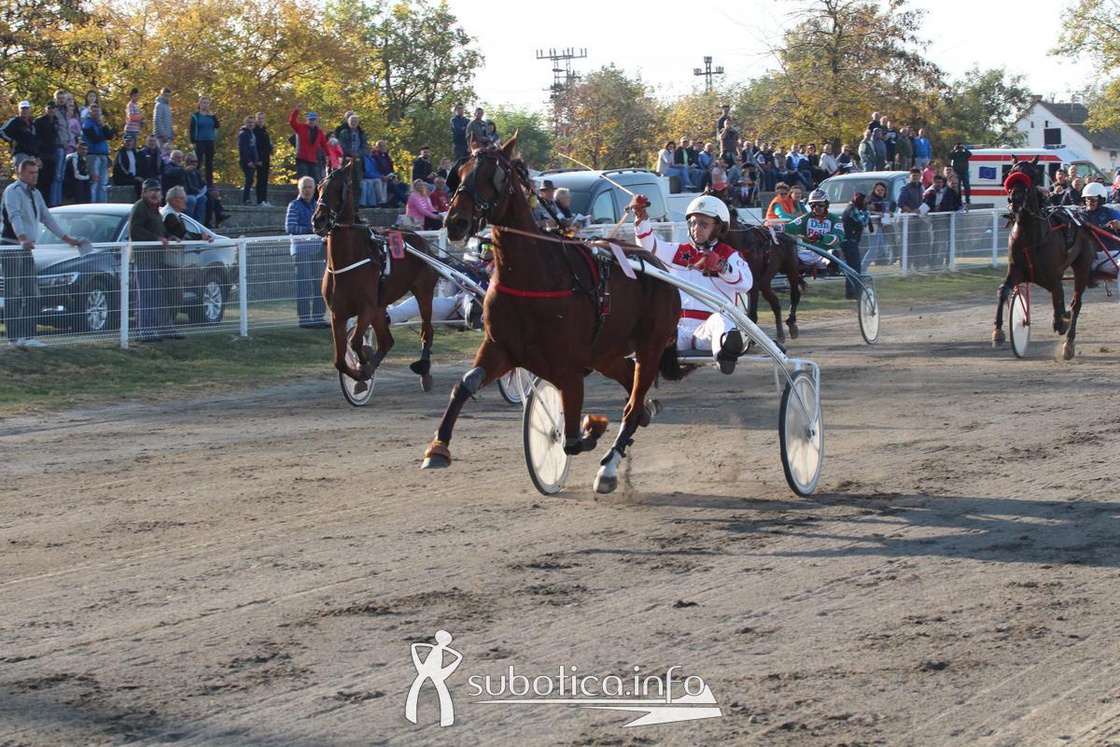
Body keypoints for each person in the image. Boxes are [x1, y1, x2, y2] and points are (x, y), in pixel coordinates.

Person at [630, 193, 753, 373]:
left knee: (722, 318)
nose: (697, 228)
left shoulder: (730, 255)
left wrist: (721, 266)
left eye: (704, 224)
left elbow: (746, 284)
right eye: (693, 223)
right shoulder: (678, 252)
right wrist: (641, 219)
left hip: (709, 332)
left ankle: (724, 356)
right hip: (677, 330)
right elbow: (649, 247)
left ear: (718, 227)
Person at [1, 159, 83, 348]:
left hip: (27, 247)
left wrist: (67, 238)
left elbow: (47, 218)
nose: (34, 175)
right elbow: (14, 216)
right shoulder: (12, 192)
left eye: (36, 172)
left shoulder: (36, 194)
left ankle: (28, 336)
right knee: (13, 293)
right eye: (30, 172)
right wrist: (22, 238)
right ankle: (15, 339)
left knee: (32, 293)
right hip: (13, 246)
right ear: (20, 173)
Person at [128, 178, 182, 342]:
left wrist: (169, 236)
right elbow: (135, 230)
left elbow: (159, 229)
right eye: (151, 190)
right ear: (144, 192)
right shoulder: (140, 207)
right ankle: (144, 331)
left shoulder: (155, 209)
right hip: (143, 258)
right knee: (145, 295)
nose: (155, 193)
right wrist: (156, 238)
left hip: (155, 258)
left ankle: (162, 328)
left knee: (157, 294)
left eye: (157, 190)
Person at [286, 176, 329, 329]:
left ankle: (318, 318)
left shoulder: (318, 205)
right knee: (303, 285)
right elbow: (290, 227)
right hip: (301, 250)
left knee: (320, 284)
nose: (307, 190)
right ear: (299, 189)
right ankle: (304, 319)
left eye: (309, 187)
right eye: (304, 187)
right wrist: (310, 231)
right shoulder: (294, 205)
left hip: (317, 250)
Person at [784, 188, 846, 275]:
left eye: (820, 205)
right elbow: (789, 227)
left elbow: (837, 238)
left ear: (826, 205)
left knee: (833, 253)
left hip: (825, 253)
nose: (817, 208)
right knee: (790, 256)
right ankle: (805, 269)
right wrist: (771, 226)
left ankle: (829, 270)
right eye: (813, 205)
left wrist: (821, 237)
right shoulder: (806, 218)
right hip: (808, 253)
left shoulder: (834, 219)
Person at [80, 104, 115, 203]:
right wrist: (104, 135)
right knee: (94, 182)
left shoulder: (101, 124)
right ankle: (93, 203)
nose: (96, 114)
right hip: (93, 155)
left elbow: (110, 136)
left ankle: (103, 203)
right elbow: (94, 138)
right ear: (90, 113)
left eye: (98, 112)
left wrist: (103, 126)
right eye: (94, 111)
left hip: (103, 155)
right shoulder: (88, 124)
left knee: (103, 183)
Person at [840, 192, 872, 299]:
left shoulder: (852, 208)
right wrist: (867, 211)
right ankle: (854, 293)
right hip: (849, 242)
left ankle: (852, 293)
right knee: (855, 268)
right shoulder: (852, 209)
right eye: (864, 202)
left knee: (852, 268)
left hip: (849, 241)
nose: (866, 204)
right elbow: (863, 222)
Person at [289, 105, 328, 183]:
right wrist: (296, 110)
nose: (312, 122)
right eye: (310, 120)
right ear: (307, 120)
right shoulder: (301, 128)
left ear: (316, 121)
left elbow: (324, 144)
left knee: (316, 181)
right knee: (303, 181)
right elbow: (292, 122)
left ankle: (314, 195)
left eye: (313, 120)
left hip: (313, 159)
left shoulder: (319, 132)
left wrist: (328, 155)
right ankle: (302, 195)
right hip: (302, 158)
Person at [33, 102, 61, 205]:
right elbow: (35, 138)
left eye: (53, 108)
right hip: (42, 153)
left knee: (50, 180)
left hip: (52, 154)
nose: (51, 110)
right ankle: (40, 203)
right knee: (41, 181)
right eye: (49, 108)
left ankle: (48, 204)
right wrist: (36, 155)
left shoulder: (56, 121)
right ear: (45, 109)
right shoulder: (39, 121)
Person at [189, 96, 219, 185]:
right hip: (199, 141)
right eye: (203, 103)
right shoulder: (195, 116)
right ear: (200, 104)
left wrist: (213, 116)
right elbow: (192, 129)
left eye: (207, 103)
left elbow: (217, 125)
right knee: (198, 162)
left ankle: (209, 182)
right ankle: (196, 181)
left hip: (210, 140)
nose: (205, 105)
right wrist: (193, 142)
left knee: (209, 163)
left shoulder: (211, 116)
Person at [1, 101, 39, 169]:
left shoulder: (32, 123)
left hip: (30, 154)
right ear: (19, 110)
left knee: (30, 177)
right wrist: (11, 140)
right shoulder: (15, 121)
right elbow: (1, 132)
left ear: (29, 110)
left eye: (26, 108)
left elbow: (34, 139)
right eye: (22, 109)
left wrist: (36, 155)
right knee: (22, 176)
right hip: (19, 153)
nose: (25, 111)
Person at [111, 134, 142, 198]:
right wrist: (131, 176)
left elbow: (138, 165)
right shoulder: (121, 153)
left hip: (133, 177)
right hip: (123, 178)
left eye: (130, 141)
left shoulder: (134, 152)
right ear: (124, 142)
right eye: (127, 141)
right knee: (138, 183)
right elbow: (121, 167)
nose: (129, 143)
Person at [237, 115, 258, 205]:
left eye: (252, 123)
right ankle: (246, 199)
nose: (251, 124)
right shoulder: (243, 134)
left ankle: (247, 198)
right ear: (245, 123)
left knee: (251, 180)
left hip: (253, 161)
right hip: (247, 161)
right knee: (249, 179)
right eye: (249, 122)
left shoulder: (251, 133)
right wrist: (248, 161)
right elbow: (243, 149)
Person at [253, 112, 273, 206]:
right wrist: (258, 159)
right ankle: (260, 200)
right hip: (259, 158)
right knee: (260, 180)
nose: (261, 120)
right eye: (259, 118)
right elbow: (256, 146)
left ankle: (264, 199)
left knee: (264, 180)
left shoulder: (265, 131)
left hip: (266, 158)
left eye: (262, 118)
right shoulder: (255, 131)